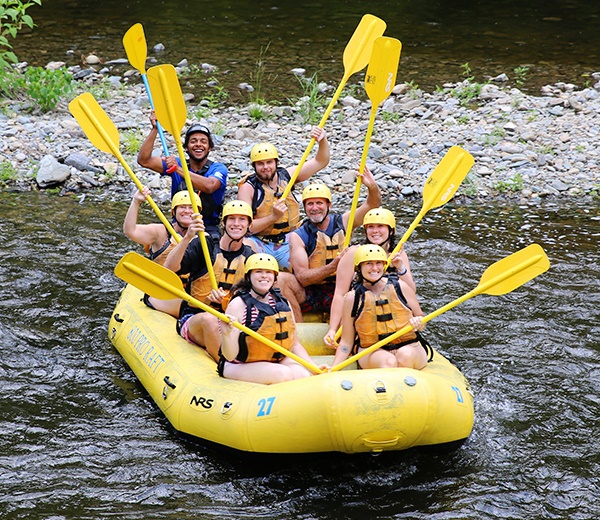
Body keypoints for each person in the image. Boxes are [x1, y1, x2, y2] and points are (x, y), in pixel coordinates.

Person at [279, 167, 381, 320]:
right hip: (312, 291)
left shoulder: (345, 222)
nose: (314, 208)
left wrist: (372, 187)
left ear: (329, 205)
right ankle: (298, 329)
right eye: (310, 204)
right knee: (280, 279)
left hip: (343, 288)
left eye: (319, 203)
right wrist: (332, 266)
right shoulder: (298, 235)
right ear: (305, 207)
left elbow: (373, 205)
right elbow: (302, 278)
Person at [163, 200, 255, 361]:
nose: (236, 224)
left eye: (242, 220)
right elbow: (169, 269)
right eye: (231, 219)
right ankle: (227, 365)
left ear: (249, 225)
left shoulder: (250, 258)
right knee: (209, 319)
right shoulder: (205, 246)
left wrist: (227, 302)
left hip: (230, 322)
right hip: (195, 318)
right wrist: (188, 238)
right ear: (224, 223)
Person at [237, 126, 330, 270]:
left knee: (309, 258)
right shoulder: (248, 188)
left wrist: (322, 140)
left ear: (276, 163)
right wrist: (273, 217)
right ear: (254, 166)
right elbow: (244, 228)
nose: (265, 167)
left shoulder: (288, 176)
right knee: (244, 247)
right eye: (260, 164)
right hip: (259, 241)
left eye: (269, 162)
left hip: (289, 238)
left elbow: (321, 161)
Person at [323, 207, 416, 347]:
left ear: (391, 230)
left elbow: (411, 291)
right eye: (370, 227)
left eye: (380, 226)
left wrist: (400, 267)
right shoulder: (353, 253)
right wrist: (332, 329)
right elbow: (340, 294)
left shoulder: (398, 254)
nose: (375, 231)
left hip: (390, 312)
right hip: (360, 314)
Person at [218, 253, 315, 384]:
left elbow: (295, 344)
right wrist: (226, 333)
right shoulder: (238, 304)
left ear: (274, 277)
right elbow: (230, 355)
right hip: (239, 364)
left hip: (275, 359)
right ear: (248, 276)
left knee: (303, 375)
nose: (264, 276)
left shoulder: (283, 303)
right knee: (282, 374)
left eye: (268, 272)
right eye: (258, 271)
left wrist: (313, 367)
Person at [331, 245, 430, 371]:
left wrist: (419, 323)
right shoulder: (352, 298)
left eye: (378, 263)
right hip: (373, 351)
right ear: (359, 267)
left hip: (409, 345)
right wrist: (334, 368)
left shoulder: (401, 287)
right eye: (368, 263)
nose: (374, 268)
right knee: (389, 362)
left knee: (405, 357)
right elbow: (346, 342)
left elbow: (421, 318)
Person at [137, 112, 228, 241]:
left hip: (206, 227)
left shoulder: (218, 168)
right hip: (178, 226)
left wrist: (178, 170)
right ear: (186, 147)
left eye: (203, 141)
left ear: (209, 148)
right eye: (193, 141)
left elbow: (210, 186)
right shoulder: (178, 163)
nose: (198, 144)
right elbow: (144, 160)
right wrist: (155, 129)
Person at [123, 187, 201, 316]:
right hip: (160, 293)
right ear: (174, 211)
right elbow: (130, 231)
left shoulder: (204, 238)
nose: (187, 211)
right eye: (182, 207)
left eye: (191, 207)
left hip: (187, 293)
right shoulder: (161, 232)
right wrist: (136, 202)